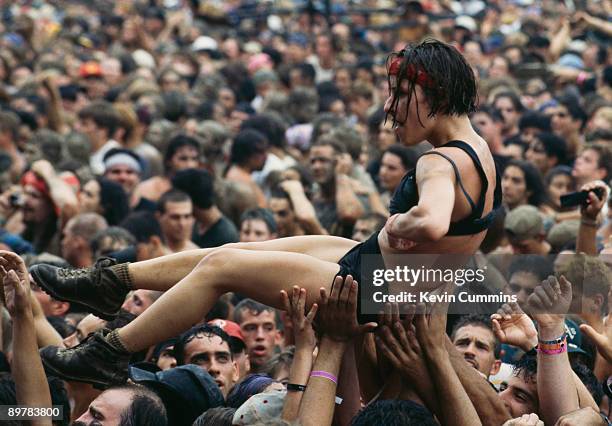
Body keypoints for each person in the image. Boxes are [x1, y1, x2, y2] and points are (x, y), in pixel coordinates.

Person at [33, 39, 502, 388]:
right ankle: (111, 282)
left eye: (400, 94)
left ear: (433, 95)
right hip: (387, 272)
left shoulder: (438, 161)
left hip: (376, 288)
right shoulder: (476, 148)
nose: (389, 108)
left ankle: (110, 352)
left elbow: (434, 221)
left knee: (222, 267)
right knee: (238, 249)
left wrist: (402, 223)